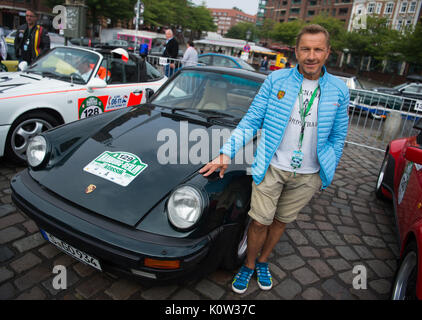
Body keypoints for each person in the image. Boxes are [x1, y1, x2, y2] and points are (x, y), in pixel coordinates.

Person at [199, 24, 349, 294]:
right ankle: (248, 265)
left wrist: (328, 168)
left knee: (281, 221)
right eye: (305, 49)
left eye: (317, 49)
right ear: (296, 51)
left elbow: (339, 136)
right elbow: (252, 119)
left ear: (328, 52)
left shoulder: (339, 90)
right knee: (259, 221)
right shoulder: (276, 80)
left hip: (309, 174)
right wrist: (226, 153)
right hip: (272, 166)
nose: (311, 56)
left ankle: (264, 261)